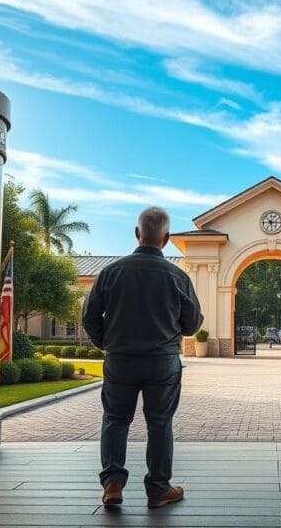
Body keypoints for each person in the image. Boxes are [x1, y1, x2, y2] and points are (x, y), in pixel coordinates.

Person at [82, 206, 203, 509]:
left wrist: (106, 342)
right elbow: (192, 324)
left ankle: (112, 484)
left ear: (137, 234)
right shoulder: (178, 277)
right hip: (162, 362)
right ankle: (159, 489)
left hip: (121, 360)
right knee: (159, 423)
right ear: (166, 238)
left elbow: (89, 316)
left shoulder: (111, 272)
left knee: (115, 419)